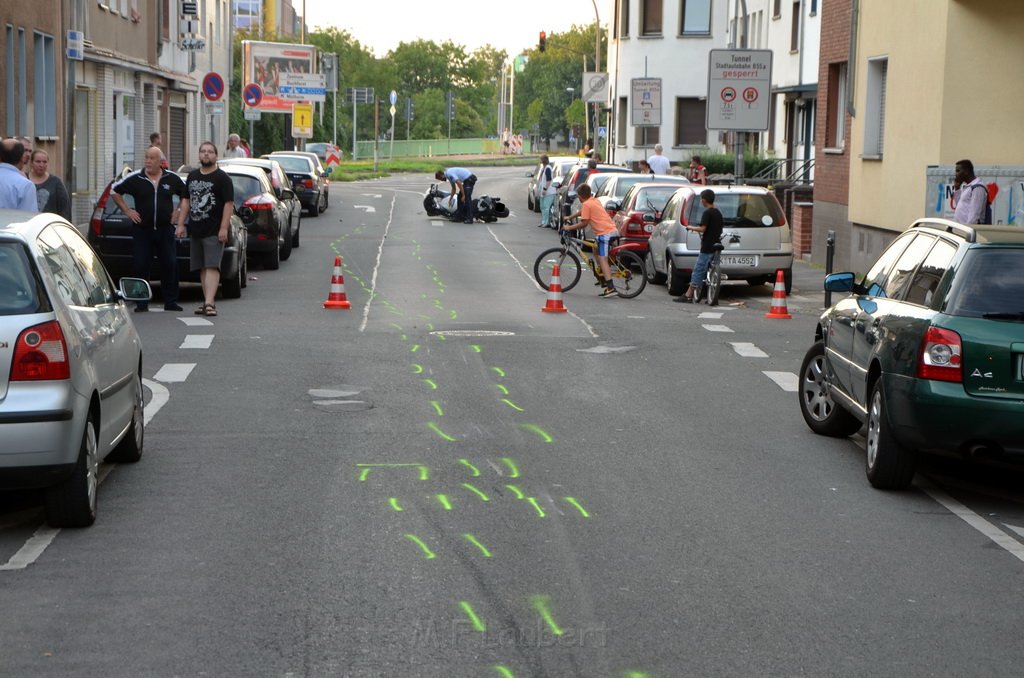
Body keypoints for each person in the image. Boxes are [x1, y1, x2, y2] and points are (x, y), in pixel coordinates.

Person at [112, 146, 188, 312]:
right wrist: (127, 210)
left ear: (160, 161)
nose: (148, 161)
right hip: (142, 230)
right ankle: (141, 302)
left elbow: (186, 194)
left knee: (169, 263)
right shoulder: (135, 178)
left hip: (165, 228)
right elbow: (114, 191)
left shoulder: (171, 178)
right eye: (146, 157)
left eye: (152, 158)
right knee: (140, 264)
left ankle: (171, 301)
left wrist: (179, 211)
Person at [175, 142, 234, 316]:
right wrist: (180, 224)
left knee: (212, 266)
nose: (206, 154)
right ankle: (208, 301)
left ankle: (209, 303)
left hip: (214, 229)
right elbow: (186, 201)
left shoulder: (222, 178)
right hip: (196, 228)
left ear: (216, 156)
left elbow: (228, 204)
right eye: (203, 151)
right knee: (202, 267)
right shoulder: (192, 176)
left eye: (210, 152)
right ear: (199, 155)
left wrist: (223, 228)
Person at [562, 183, 619, 298]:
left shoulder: (587, 204)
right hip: (610, 230)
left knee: (603, 259)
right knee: (594, 248)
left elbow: (584, 223)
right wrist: (570, 217)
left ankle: (611, 287)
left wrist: (569, 227)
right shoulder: (593, 201)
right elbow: (583, 211)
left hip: (606, 233)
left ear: (580, 196)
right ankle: (602, 276)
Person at [675, 189, 723, 303]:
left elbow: (703, 228)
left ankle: (689, 294)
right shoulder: (718, 213)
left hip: (707, 246)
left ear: (704, 200)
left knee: (698, 270)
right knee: (713, 270)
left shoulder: (707, 213)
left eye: (701, 199)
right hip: (717, 244)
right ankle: (713, 296)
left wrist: (691, 227)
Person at [28, 150, 72, 220]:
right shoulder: (24, 180)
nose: (41, 165)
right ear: (31, 163)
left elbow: (65, 208)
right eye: (38, 161)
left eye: (44, 162)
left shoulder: (56, 182)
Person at [0, 138, 37, 211]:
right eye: (26, 151)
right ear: (22, 158)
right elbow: (28, 218)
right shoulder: (26, 185)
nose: (28, 155)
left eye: (30, 151)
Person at [952, 159, 988, 225]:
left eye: (958, 171)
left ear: (966, 171)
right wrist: (957, 189)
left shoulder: (977, 187)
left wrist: (967, 230)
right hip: (961, 228)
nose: (955, 174)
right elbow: (961, 206)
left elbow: (974, 215)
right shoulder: (968, 187)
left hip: (967, 230)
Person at [536, 154, 557, 229]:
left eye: (541, 159)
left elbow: (549, 180)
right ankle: (543, 221)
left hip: (549, 191)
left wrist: (545, 189)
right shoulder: (544, 168)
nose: (540, 161)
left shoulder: (548, 168)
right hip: (544, 191)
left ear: (544, 160)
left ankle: (547, 222)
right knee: (542, 207)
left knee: (546, 207)